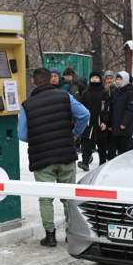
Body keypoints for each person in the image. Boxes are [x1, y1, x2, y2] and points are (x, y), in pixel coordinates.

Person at [18, 68, 90, 247]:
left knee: (45, 198)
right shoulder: (65, 97)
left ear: (34, 82)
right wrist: (74, 134)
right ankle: (70, 232)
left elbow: (21, 134)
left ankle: (50, 236)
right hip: (65, 153)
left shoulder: (27, 105)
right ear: (51, 79)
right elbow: (85, 114)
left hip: (41, 156)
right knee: (68, 196)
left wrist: (36, 138)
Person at [78, 71, 110, 171]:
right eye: (92, 78)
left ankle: (102, 163)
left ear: (100, 79)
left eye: (96, 77)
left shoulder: (104, 93)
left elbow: (107, 109)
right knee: (86, 144)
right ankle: (85, 162)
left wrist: (105, 121)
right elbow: (81, 107)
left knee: (101, 145)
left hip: (100, 123)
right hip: (88, 123)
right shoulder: (85, 93)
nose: (94, 79)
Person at [109, 71, 133, 155]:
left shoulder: (130, 92)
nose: (118, 81)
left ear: (125, 80)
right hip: (116, 125)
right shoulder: (115, 92)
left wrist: (124, 123)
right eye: (117, 79)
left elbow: (130, 109)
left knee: (125, 148)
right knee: (118, 148)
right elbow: (112, 109)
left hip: (125, 126)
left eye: (120, 79)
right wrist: (110, 123)